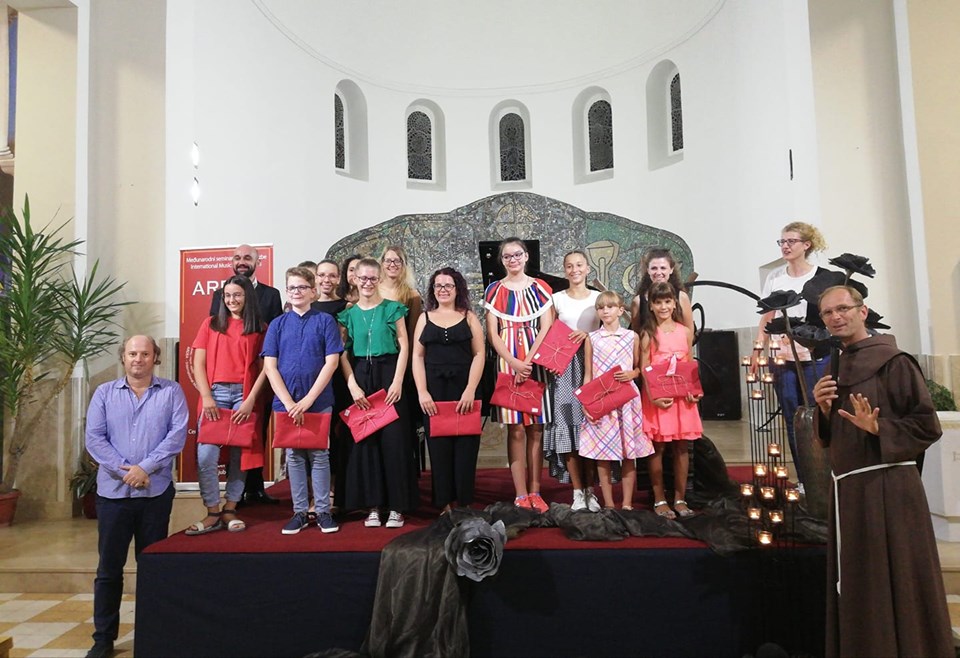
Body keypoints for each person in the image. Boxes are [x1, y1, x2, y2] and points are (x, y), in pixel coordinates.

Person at [812, 285, 952, 657]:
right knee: (861, 582)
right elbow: (832, 437)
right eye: (828, 313)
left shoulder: (895, 362)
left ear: (863, 311)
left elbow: (927, 426)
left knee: (895, 581)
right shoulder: (835, 364)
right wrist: (822, 411)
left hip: (888, 490)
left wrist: (879, 428)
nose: (836, 317)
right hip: (850, 492)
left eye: (843, 308)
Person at [84, 336, 188, 658]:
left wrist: (145, 468)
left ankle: (152, 636)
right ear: (123, 357)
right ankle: (103, 639)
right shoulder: (104, 393)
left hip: (154, 494)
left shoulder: (171, 392)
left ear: (155, 357)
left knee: (152, 568)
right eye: (132, 353)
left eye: (145, 353)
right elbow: (94, 438)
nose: (138, 359)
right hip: (113, 496)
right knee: (108, 570)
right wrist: (126, 470)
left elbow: (177, 436)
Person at [338, 258, 419, 528]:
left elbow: (404, 344)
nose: (368, 283)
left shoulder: (393, 308)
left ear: (379, 279)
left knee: (394, 442)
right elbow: (342, 352)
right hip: (361, 375)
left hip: (390, 374)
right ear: (355, 279)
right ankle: (373, 506)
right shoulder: (348, 314)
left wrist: (398, 381)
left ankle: (397, 507)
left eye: (373, 278)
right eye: (363, 278)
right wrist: (352, 384)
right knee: (367, 443)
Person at [262, 266, 343, 535]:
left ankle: (322, 511)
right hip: (286, 403)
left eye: (301, 287)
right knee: (294, 456)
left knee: (319, 455)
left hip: (318, 400)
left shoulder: (325, 321)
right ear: (287, 292)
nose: (296, 292)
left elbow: (331, 363)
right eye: (292, 288)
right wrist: (288, 402)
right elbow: (270, 366)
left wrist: (308, 399)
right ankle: (299, 512)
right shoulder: (277, 324)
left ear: (313, 291)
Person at [187, 275, 268, 535]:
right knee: (206, 456)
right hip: (215, 394)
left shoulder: (260, 328)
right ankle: (212, 511)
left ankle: (230, 508)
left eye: (238, 295)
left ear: (247, 297)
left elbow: (265, 368)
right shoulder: (210, 324)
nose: (232, 300)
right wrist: (207, 396)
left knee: (240, 457)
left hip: (244, 396)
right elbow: (198, 363)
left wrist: (251, 400)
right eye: (228, 295)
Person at [755, 221, 830, 493]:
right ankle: (804, 478)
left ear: (806, 245)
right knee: (792, 417)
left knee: (818, 415)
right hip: (783, 358)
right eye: (782, 242)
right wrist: (758, 350)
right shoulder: (775, 278)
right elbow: (767, 317)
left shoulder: (822, 277)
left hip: (815, 357)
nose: (785, 246)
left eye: (791, 241)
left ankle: (824, 476)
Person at [209, 243, 284, 505]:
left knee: (256, 433)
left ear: (257, 262)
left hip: (260, 374)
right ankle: (235, 493)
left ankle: (256, 487)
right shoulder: (219, 294)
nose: (242, 261)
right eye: (237, 257)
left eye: (247, 258)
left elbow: (275, 332)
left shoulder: (271, 294)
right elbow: (216, 331)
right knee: (231, 436)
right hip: (227, 377)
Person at [484, 237, 555, 512]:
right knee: (515, 429)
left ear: (526, 256)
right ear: (501, 261)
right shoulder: (494, 290)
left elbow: (546, 326)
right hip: (508, 364)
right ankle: (520, 493)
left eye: (517, 254)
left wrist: (528, 361)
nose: (512, 260)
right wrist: (514, 362)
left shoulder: (541, 288)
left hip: (535, 363)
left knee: (536, 428)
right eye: (507, 256)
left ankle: (536, 491)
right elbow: (493, 333)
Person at [411, 267, 485, 513]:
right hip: (434, 392)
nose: (443, 290)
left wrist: (470, 389)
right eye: (438, 286)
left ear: (457, 289)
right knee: (439, 450)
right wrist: (422, 392)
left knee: (466, 449)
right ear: (433, 290)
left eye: (448, 285)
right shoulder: (424, 318)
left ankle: (464, 503)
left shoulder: (469, 317)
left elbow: (479, 354)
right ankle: (444, 504)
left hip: (464, 390)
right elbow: (417, 357)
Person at [578, 291, 653, 510]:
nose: (605, 311)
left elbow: (639, 368)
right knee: (603, 452)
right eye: (601, 308)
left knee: (629, 453)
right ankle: (609, 503)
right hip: (603, 400)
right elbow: (588, 373)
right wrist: (586, 402)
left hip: (627, 401)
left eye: (610, 307)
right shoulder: (592, 338)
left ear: (620, 310)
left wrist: (632, 373)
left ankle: (627, 503)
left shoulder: (632, 337)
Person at [543, 250, 602, 512]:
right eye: (569, 266)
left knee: (591, 428)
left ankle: (592, 490)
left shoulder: (598, 298)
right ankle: (577, 491)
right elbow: (547, 333)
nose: (574, 269)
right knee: (568, 425)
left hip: (594, 365)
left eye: (579, 265)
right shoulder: (556, 299)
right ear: (564, 270)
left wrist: (587, 335)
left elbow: (608, 328)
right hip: (565, 368)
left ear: (588, 268)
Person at [639, 282, 703, 519]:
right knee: (657, 448)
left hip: (682, 398)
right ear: (651, 306)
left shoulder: (685, 331)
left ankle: (680, 498)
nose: (663, 306)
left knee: (682, 447)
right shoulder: (647, 333)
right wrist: (653, 397)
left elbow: (689, 363)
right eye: (658, 302)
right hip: (658, 398)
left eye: (667, 301)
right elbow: (644, 368)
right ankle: (659, 499)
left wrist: (694, 390)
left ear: (675, 303)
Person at [312, 258, 352, 512]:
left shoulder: (346, 307)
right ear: (315, 277)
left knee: (338, 433)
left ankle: (338, 489)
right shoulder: (307, 306)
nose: (326, 280)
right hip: (312, 377)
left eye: (331, 275)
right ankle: (318, 492)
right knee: (318, 435)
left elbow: (345, 345)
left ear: (338, 279)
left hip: (338, 377)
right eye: (322, 275)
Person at [629, 248, 694, 335]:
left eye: (663, 268)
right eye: (654, 268)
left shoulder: (682, 297)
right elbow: (636, 335)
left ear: (671, 269)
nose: (658, 272)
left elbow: (689, 332)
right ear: (648, 270)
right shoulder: (638, 301)